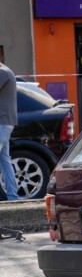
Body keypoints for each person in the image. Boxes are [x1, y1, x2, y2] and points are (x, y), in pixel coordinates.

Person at [0, 61, 19, 201]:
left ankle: (14, 196)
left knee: (5, 161)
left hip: (3, 122)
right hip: (4, 122)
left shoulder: (3, 72)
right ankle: (13, 196)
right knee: (5, 161)